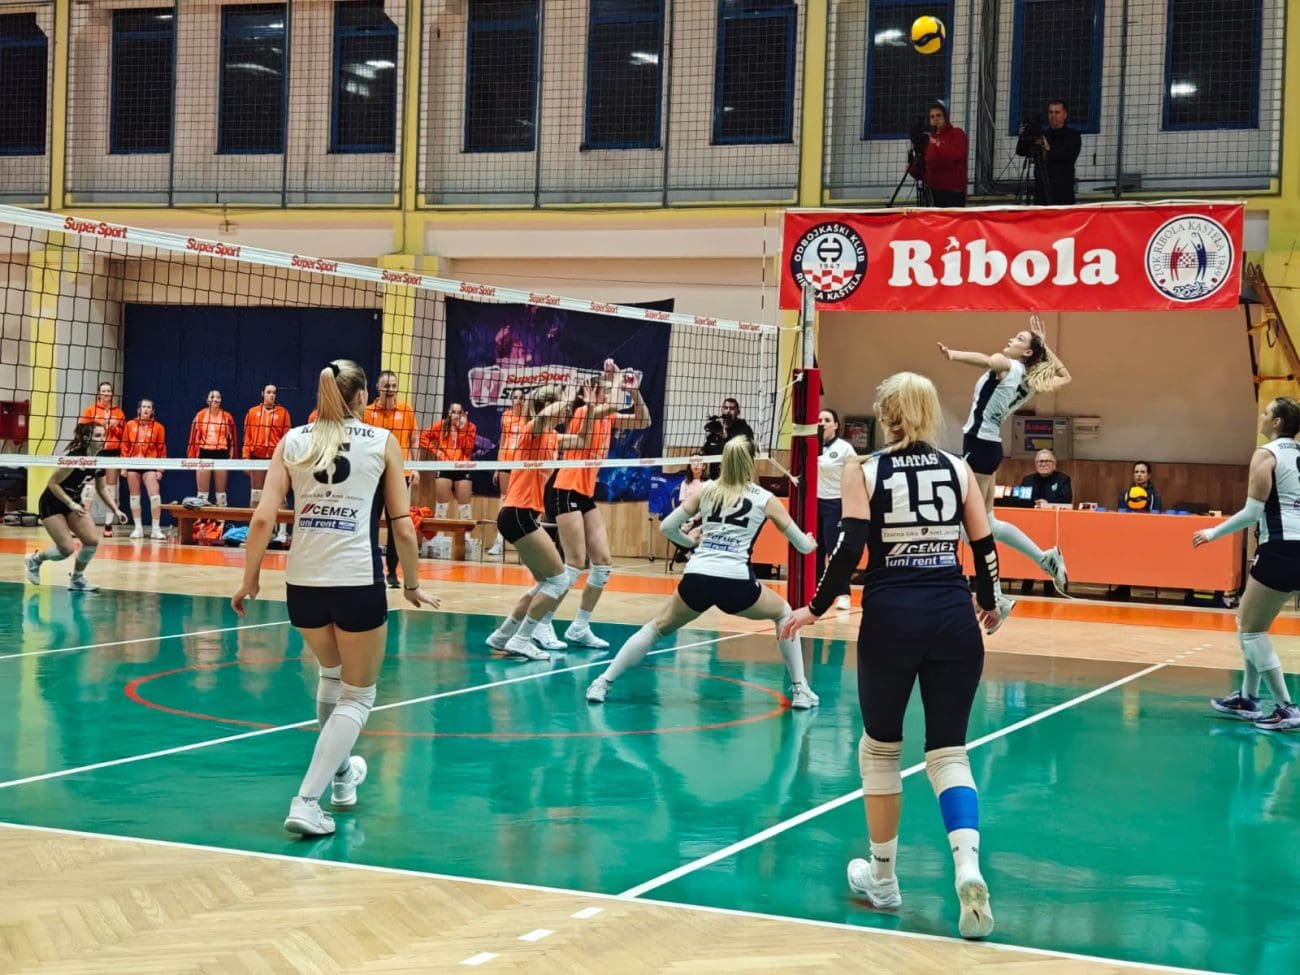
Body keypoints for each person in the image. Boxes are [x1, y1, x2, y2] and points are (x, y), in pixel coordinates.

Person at [781, 371, 1001, 940]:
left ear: (885, 415)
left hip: (892, 618)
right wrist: (989, 601)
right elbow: (983, 545)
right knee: (949, 752)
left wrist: (815, 606)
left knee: (880, 749)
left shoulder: (865, 468)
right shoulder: (958, 468)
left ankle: (883, 878)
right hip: (953, 617)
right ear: (930, 412)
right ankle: (967, 866)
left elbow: (850, 545)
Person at [231, 360, 439, 837]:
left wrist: (249, 580)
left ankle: (343, 777)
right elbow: (402, 526)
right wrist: (410, 584)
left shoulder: (293, 440)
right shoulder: (382, 441)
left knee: (331, 674)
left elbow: (262, 519)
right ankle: (306, 801)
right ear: (362, 396)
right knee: (359, 695)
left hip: (302, 584)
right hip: (356, 579)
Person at [586, 436, 819, 709]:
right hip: (736, 583)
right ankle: (800, 689)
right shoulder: (765, 498)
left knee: (656, 628)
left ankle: (603, 682)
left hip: (698, 578)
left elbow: (667, 527)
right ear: (751, 462)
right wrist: (810, 542)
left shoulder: (707, 490)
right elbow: (803, 547)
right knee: (784, 614)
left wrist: (689, 542)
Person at [938, 314, 1072, 627]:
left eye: (1020, 339)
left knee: (971, 528)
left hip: (979, 445)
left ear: (1027, 352)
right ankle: (1044, 559)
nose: (1012, 339)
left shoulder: (1007, 365)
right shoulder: (1029, 381)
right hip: (989, 446)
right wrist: (1044, 346)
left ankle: (996, 596)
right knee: (987, 523)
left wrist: (953, 354)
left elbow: (985, 359)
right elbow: (1065, 376)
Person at [1192, 397, 1300, 732]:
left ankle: (1287, 707)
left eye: (1267, 412)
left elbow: (1252, 513)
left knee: (1251, 630)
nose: (1262, 416)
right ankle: (1247, 698)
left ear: (1278, 422)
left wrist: (1213, 532)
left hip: (1280, 548)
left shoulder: (1266, 455)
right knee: (1249, 623)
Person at [538, 360, 651, 651]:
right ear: (594, 394)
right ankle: (542, 623)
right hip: (565, 489)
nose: (609, 395)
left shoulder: (608, 417)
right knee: (574, 563)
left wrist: (634, 391)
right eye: (605, 391)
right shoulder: (582, 412)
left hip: (584, 493)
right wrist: (616, 378)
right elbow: (606, 405)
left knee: (602, 563)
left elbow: (644, 421)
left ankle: (580, 626)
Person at [485, 383, 596, 661]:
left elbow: (582, 441)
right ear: (548, 405)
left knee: (545, 581)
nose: (567, 412)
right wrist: (567, 397)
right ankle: (522, 639)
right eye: (563, 406)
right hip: (518, 514)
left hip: (522, 516)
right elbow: (545, 416)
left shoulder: (552, 437)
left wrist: (590, 406)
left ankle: (502, 635)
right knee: (559, 580)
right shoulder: (531, 431)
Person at [24, 422, 128, 591]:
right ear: (86, 438)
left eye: (103, 435)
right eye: (98, 436)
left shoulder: (98, 461)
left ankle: (77, 579)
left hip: (73, 502)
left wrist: (116, 509)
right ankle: (34, 560)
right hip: (52, 502)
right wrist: (71, 504)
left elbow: (101, 488)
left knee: (92, 541)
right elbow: (52, 483)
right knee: (66, 549)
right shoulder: (75, 457)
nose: (102, 439)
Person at [363, 371, 420, 587]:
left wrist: (415, 467)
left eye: (394, 385)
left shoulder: (406, 410)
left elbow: (414, 440)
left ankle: (393, 572)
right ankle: (373, 570)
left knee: (397, 522)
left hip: (399, 475)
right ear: (378, 388)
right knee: (371, 522)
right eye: (386, 386)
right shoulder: (367, 412)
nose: (390, 389)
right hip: (374, 474)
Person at [419, 402, 477, 556]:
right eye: (454, 412)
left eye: (459, 412)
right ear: (449, 413)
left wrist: (462, 429)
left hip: (462, 467)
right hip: (445, 466)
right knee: (441, 506)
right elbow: (423, 436)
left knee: (465, 507)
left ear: (463, 414)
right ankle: (438, 538)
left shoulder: (470, 427)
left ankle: (466, 540)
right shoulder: (442, 425)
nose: (456, 415)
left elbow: (468, 449)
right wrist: (437, 452)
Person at [1016, 449, 1073, 595]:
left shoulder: (1063, 479)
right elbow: (1019, 500)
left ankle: (1050, 589)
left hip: (1052, 529)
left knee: (1049, 557)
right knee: (1030, 556)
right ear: (1036, 464)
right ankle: (1026, 587)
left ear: (1054, 464)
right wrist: (1033, 504)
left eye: (1047, 461)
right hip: (1030, 527)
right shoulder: (1028, 480)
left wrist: (1048, 505)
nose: (1044, 464)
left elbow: (1066, 500)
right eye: (1040, 461)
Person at [817, 408, 857, 611]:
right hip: (813, 502)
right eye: (819, 420)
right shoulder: (810, 445)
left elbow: (856, 473)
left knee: (835, 549)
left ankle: (843, 593)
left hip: (834, 503)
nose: (822, 423)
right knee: (814, 549)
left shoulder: (844, 448)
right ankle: (816, 591)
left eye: (827, 420)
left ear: (835, 425)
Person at [243, 384, 292, 543]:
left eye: (274, 393)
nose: (272, 395)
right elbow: (247, 437)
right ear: (262, 393)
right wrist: (245, 459)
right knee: (255, 494)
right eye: (269, 392)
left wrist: (286, 460)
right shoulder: (252, 412)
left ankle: (282, 533)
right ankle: (253, 531)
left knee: (280, 496)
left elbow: (287, 439)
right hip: (257, 458)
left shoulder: (283, 413)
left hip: (275, 459)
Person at [78, 382, 126, 536]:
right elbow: (81, 429)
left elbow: (124, 436)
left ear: (112, 394)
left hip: (112, 452)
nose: (106, 393)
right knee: (90, 487)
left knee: (110, 488)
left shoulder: (118, 413)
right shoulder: (90, 410)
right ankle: (81, 522)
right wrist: (98, 425)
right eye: (103, 391)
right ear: (99, 393)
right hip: (96, 452)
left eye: (108, 391)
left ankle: (108, 525)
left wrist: (115, 427)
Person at [1016, 99, 1082, 205]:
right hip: (1041, 192)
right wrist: (1023, 136)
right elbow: (1021, 151)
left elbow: (1067, 157)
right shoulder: (1042, 134)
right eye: (1051, 112)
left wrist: (1047, 149)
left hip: (1062, 192)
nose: (1053, 115)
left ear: (1065, 115)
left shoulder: (1073, 135)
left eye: (1057, 112)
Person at [490, 388, 530, 558]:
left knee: (521, 501)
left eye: (521, 397)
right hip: (506, 462)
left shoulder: (528, 418)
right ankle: (499, 541)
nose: (518, 400)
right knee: (504, 499)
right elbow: (503, 441)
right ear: (511, 400)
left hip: (521, 464)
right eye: (515, 397)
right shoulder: (505, 416)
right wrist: (498, 467)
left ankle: (525, 543)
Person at [121, 398, 168, 539]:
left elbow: (161, 449)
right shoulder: (130, 425)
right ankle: (138, 528)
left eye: (148, 407)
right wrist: (124, 466)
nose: (146, 409)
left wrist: (160, 470)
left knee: (155, 497)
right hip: (133, 464)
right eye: (143, 407)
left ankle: (156, 529)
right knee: (134, 497)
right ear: (139, 409)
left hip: (150, 465)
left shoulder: (159, 427)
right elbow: (125, 446)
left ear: (152, 411)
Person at [909, 103, 968, 208]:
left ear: (945, 118)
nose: (935, 119)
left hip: (953, 192)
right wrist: (913, 161)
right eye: (932, 117)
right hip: (932, 192)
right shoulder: (927, 140)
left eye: (938, 115)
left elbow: (958, 155)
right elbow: (919, 172)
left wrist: (936, 142)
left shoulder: (956, 133)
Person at [186, 390, 236, 506]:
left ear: (221, 400)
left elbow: (233, 439)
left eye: (218, 397)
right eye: (212, 397)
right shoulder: (200, 416)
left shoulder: (227, 417)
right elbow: (193, 438)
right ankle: (202, 516)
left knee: (221, 496)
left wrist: (233, 459)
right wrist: (192, 457)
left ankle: (221, 515)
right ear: (207, 400)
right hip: (204, 453)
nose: (215, 399)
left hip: (221, 454)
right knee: (202, 496)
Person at [701, 396, 756, 477]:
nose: (728, 411)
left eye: (732, 408)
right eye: (726, 408)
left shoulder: (744, 429)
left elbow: (746, 450)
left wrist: (726, 436)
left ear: (738, 412)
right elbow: (707, 451)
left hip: (737, 475)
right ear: (722, 410)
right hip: (716, 476)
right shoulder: (716, 428)